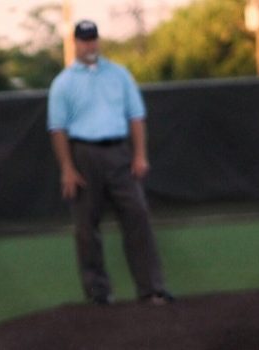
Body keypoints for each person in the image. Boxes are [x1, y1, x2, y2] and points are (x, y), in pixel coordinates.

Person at [47, 20, 173, 306]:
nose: (89, 45)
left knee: (138, 215)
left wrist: (140, 154)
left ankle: (152, 288)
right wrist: (67, 167)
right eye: (84, 40)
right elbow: (57, 129)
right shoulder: (64, 82)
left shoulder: (119, 74)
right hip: (83, 155)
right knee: (85, 226)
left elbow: (136, 116)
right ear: (76, 43)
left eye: (93, 39)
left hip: (119, 152)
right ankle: (98, 293)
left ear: (98, 41)